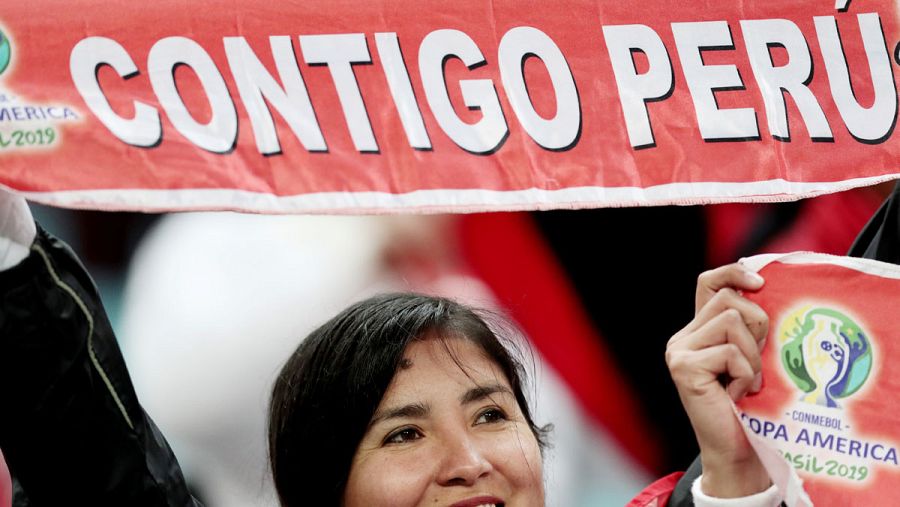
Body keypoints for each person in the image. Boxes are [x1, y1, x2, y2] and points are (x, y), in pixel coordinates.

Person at [13, 184, 885, 505]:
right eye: (404, 432)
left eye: (493, 414)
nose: (470, 461)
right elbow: (107, 470)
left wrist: (734, 470)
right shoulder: (219, 264)